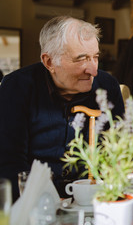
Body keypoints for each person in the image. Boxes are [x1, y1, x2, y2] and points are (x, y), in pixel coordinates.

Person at [0, 16, 124, 201]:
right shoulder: (17, 87)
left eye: (95, 57)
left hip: (94, 198)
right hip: (36, 201)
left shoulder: (107, 87)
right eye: (81, 59)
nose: (93, 70)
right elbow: (9, 164)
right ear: (49, 62)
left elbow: (121, 150)